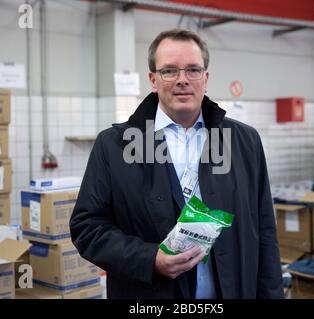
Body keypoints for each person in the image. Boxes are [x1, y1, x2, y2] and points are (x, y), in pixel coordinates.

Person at [70, 28, 283, 299]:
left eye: (193, 70)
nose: (183, 80)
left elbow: (265, 231)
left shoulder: (243, 141)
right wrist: (149, 259)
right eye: (169, 71)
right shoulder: (114, 146)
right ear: (153, 79)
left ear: (206, 78)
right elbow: (87, 228)